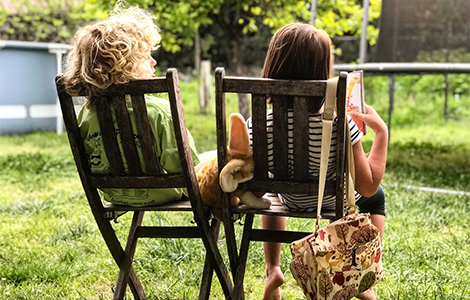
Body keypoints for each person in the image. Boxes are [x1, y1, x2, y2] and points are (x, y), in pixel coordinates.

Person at [246, 23, 388, 300]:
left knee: (274, 186)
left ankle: (273, 268)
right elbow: (368, 186)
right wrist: (381, 133)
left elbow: (258, 187)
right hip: (331, 202)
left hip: (289, 199)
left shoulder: (258, 124)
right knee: (377, 197)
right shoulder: (340, 123)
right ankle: (362, 278)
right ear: (322, 71)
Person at [62, 3, 199, 207]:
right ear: (123, 66)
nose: (153, 62)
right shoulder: (161, 112)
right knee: (211, 160)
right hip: (164, 192)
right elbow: (184, 167)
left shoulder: (86, 114)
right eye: (145, 56)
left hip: (115, 194)